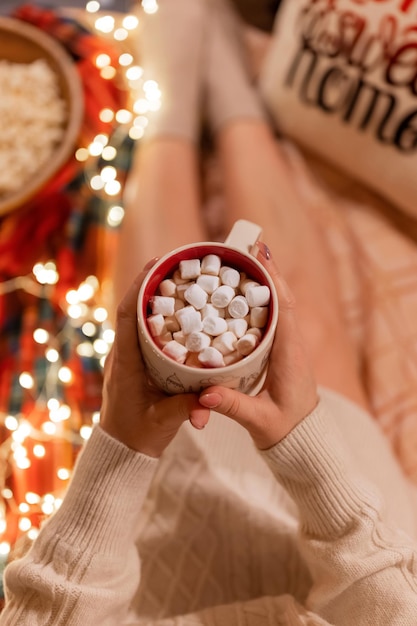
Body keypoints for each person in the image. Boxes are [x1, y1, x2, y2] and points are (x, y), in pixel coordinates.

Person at [2, 1, 417, 623]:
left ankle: (175, 114)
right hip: (356, 563)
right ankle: (235, 110)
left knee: (153, 282)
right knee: (305, 320)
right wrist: (306, 444)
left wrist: (119, 446)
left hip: (155, 563)